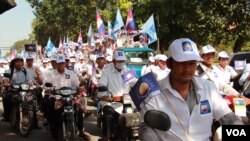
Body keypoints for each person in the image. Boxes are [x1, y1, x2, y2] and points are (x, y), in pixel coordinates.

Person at [139, 38, 243, 141]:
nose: (187, 69)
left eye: (192, 63)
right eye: (181, 63)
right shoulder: (153, 92)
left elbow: (228, 118)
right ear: (169, 63)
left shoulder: (208, 88)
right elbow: (145, 128)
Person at [43, 55, 91, 140]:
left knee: (78, 109)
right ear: (56, 64)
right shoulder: (50, 74)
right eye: (59, 63)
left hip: (69, 96)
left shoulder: (70, 73)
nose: (61, 65)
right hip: (56, 96)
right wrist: (49, 89)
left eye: (62, 63)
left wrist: (79, 88)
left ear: (65, 64)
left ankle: (81, 131)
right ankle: (51, 124)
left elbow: (76, 83)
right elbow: (45, 84)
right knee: (50, 105)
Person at [98, 51, 131, 141]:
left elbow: (134, 82)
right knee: (108, 116)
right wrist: (104, 95)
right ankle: (106, 138)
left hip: (125, 103)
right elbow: (101, 84)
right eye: (119, 61)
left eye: (122, 61)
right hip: (110, 103)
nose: (121, 63)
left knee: (134, 118)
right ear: (113, 60)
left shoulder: (127, 71)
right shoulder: (107, 71)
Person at [2, 55, 33, 121]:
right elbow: (5, 80)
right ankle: (6, 116)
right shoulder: (9, 71)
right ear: (14, 63)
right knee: (6, 98)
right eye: (17, 62)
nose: (19, 63)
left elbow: (30, 80)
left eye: (20, 62)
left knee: (32, 100)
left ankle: (35, 121)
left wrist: (31, 83)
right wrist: (7, 83)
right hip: (13, 90)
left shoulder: (25, 71)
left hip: (25, 90)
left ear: (22, 63)